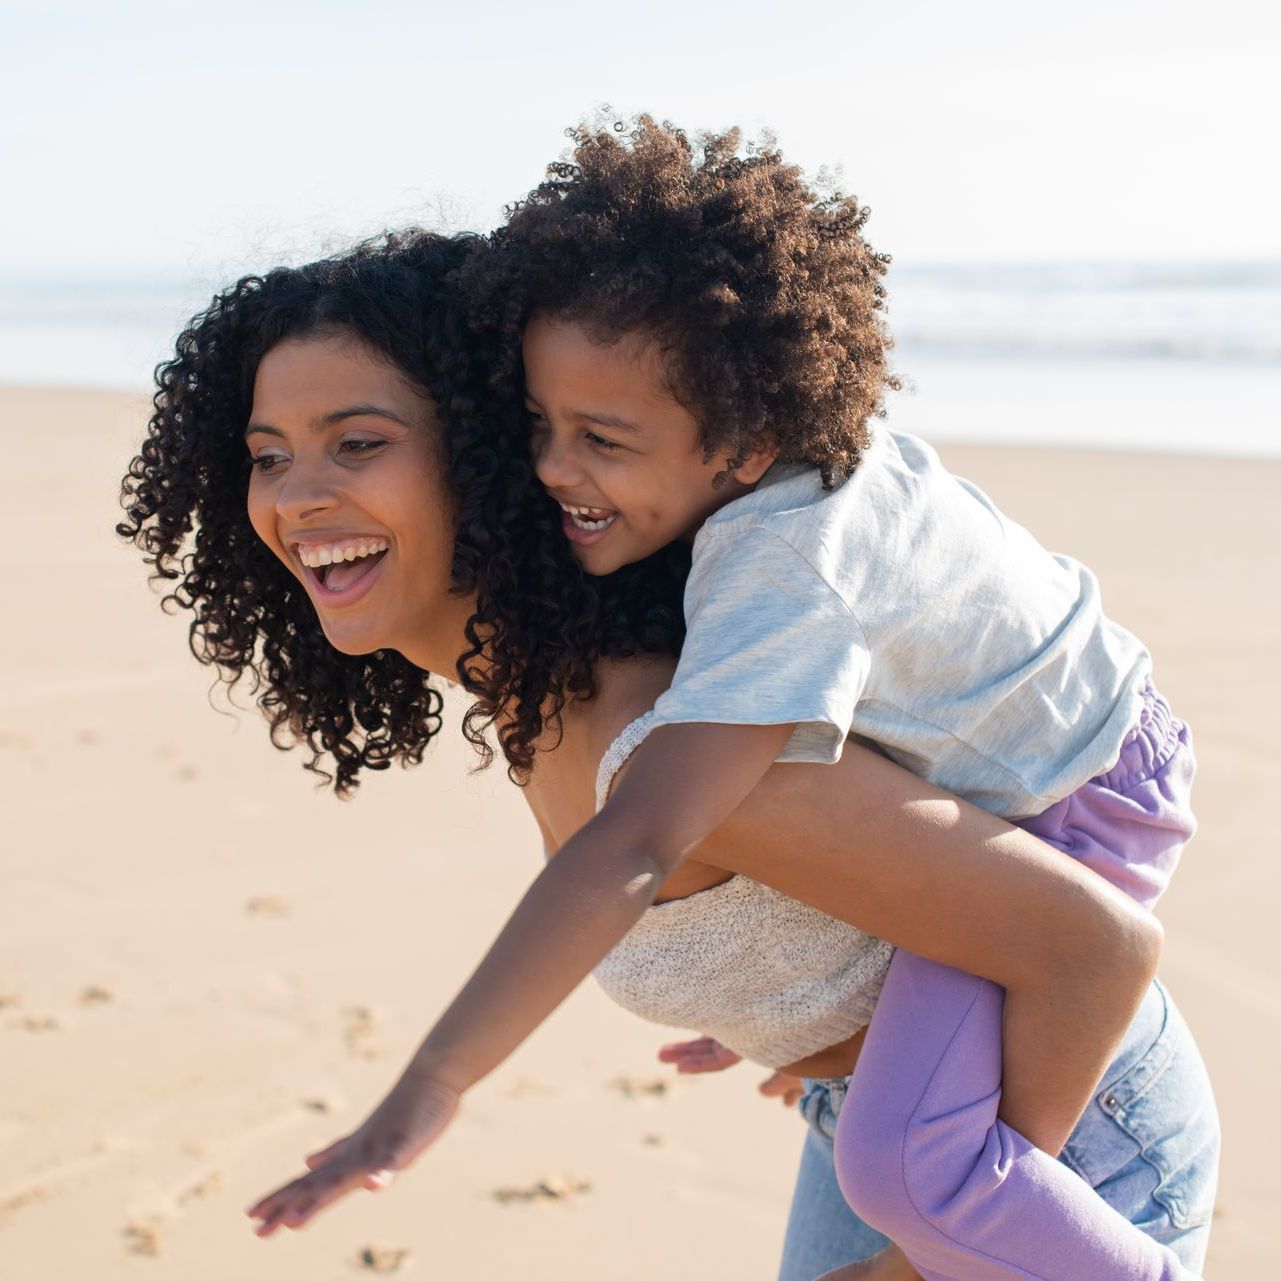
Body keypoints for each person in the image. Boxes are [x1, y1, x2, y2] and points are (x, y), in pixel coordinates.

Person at [117, 227, 1216, 1280]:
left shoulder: (673, 732)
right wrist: (790, 1014)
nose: (299, 494)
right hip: (888, 1133)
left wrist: (430, 1089)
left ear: (486, 461)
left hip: (1054, 1144)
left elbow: (1091, 945)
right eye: (267, 457)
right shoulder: (547, 693)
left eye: (359, 443)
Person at [458, 116, 1220, 1279]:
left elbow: (654, 824)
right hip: (1087, 749)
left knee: (905, 1165)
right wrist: (785, 1001)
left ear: (750, 438)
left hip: (1081, 794)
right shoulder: (781, 479)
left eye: (603, 438)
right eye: (540, 428)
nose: (558, 469)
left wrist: (435, 1082)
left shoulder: (782, 559)